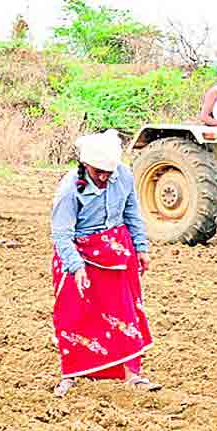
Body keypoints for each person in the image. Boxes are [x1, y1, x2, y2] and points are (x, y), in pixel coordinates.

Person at [50, 130, 159, 397]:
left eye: (108, 172)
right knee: (74, 314)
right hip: (80, 252)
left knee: (125, 312)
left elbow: (131, 212)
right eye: (98, 172)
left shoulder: (123, 176)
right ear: (85, 165)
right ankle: (71, 374)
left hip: (117, 252)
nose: (103, 177)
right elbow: (62, 233)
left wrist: (141, 247)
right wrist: (76, 267)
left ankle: (133, 374)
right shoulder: (69, 190)